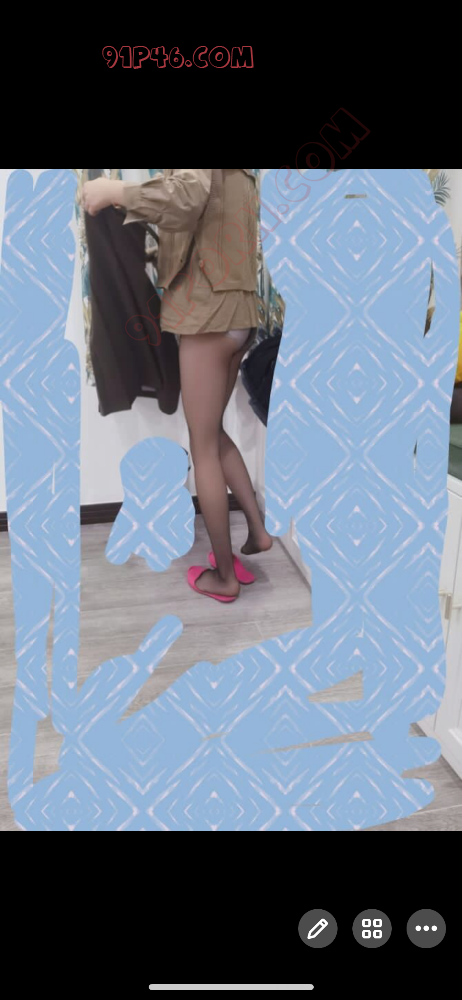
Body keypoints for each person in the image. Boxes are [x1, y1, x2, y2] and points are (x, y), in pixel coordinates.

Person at [82, 169, 273, 602]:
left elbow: (185, 196)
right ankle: (258, 532)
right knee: (214, 434)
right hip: (237, 311)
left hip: (207, 314)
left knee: (202, 446)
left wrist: (114, 191)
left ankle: (224, 577)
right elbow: (203, 214)